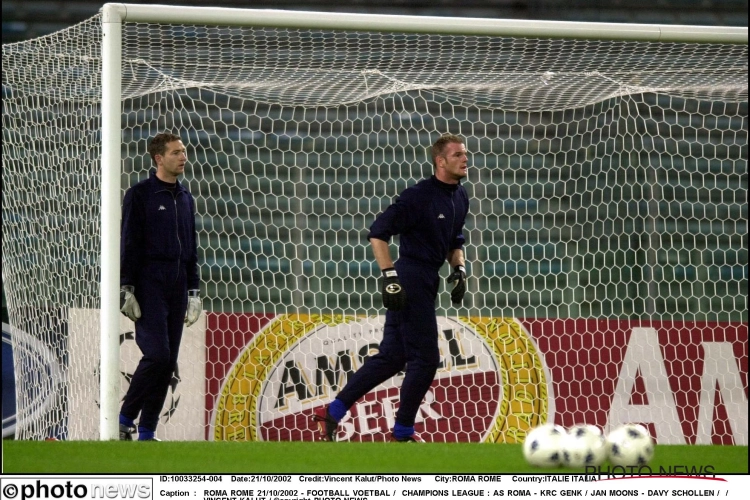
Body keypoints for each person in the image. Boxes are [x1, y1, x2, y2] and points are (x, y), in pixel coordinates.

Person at [313, 133, 470, 442]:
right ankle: (403, 431)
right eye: (457, 155)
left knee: (393, 356)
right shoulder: (417, 196)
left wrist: (460, 269)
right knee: (425, 360)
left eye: (465, 154)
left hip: (429, 278)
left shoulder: (461, 196)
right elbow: (378, 233)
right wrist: (390, 277)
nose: (465, 159)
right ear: (440, 162)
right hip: (410, 277)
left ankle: (332, 413)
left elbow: (455, 241)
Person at [118, 132, 201, 441]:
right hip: (149, 281)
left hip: (178, 283)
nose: (183, 157)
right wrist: (126, 286)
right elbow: (129, 242)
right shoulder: (139, 194)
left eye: (184, 151)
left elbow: (191, 247)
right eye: (177, 152)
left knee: (169, 360)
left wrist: (193, 290)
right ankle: (125, 418)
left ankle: (147, 431)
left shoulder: (186, 198)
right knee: (157, 355)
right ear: (159, 158)